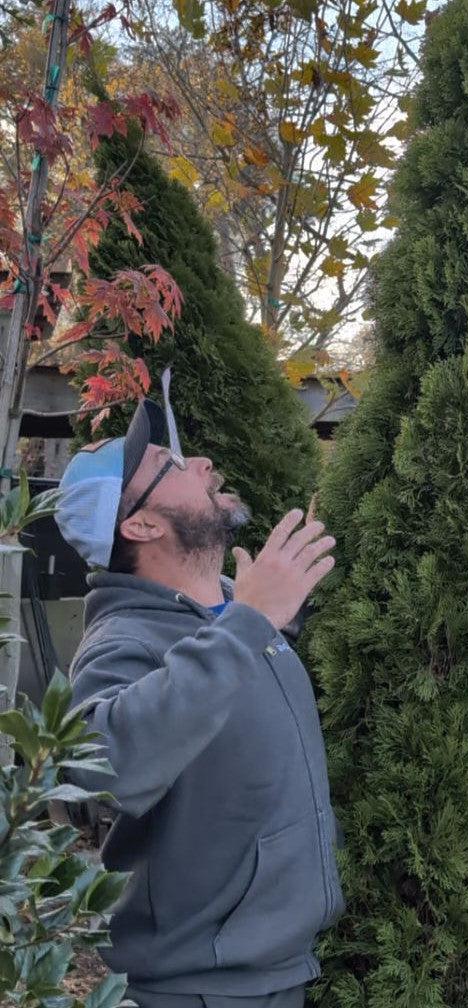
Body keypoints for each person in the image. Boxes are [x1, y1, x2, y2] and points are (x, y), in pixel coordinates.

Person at [54, 371, 343, 1008]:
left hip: (280, 974)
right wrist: (250, 624)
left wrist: (265, 613)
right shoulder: (121, 640)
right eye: (172, 464)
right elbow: (104, 765)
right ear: (141, 526)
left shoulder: (238, 611)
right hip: (199, 991)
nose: (203, 461)